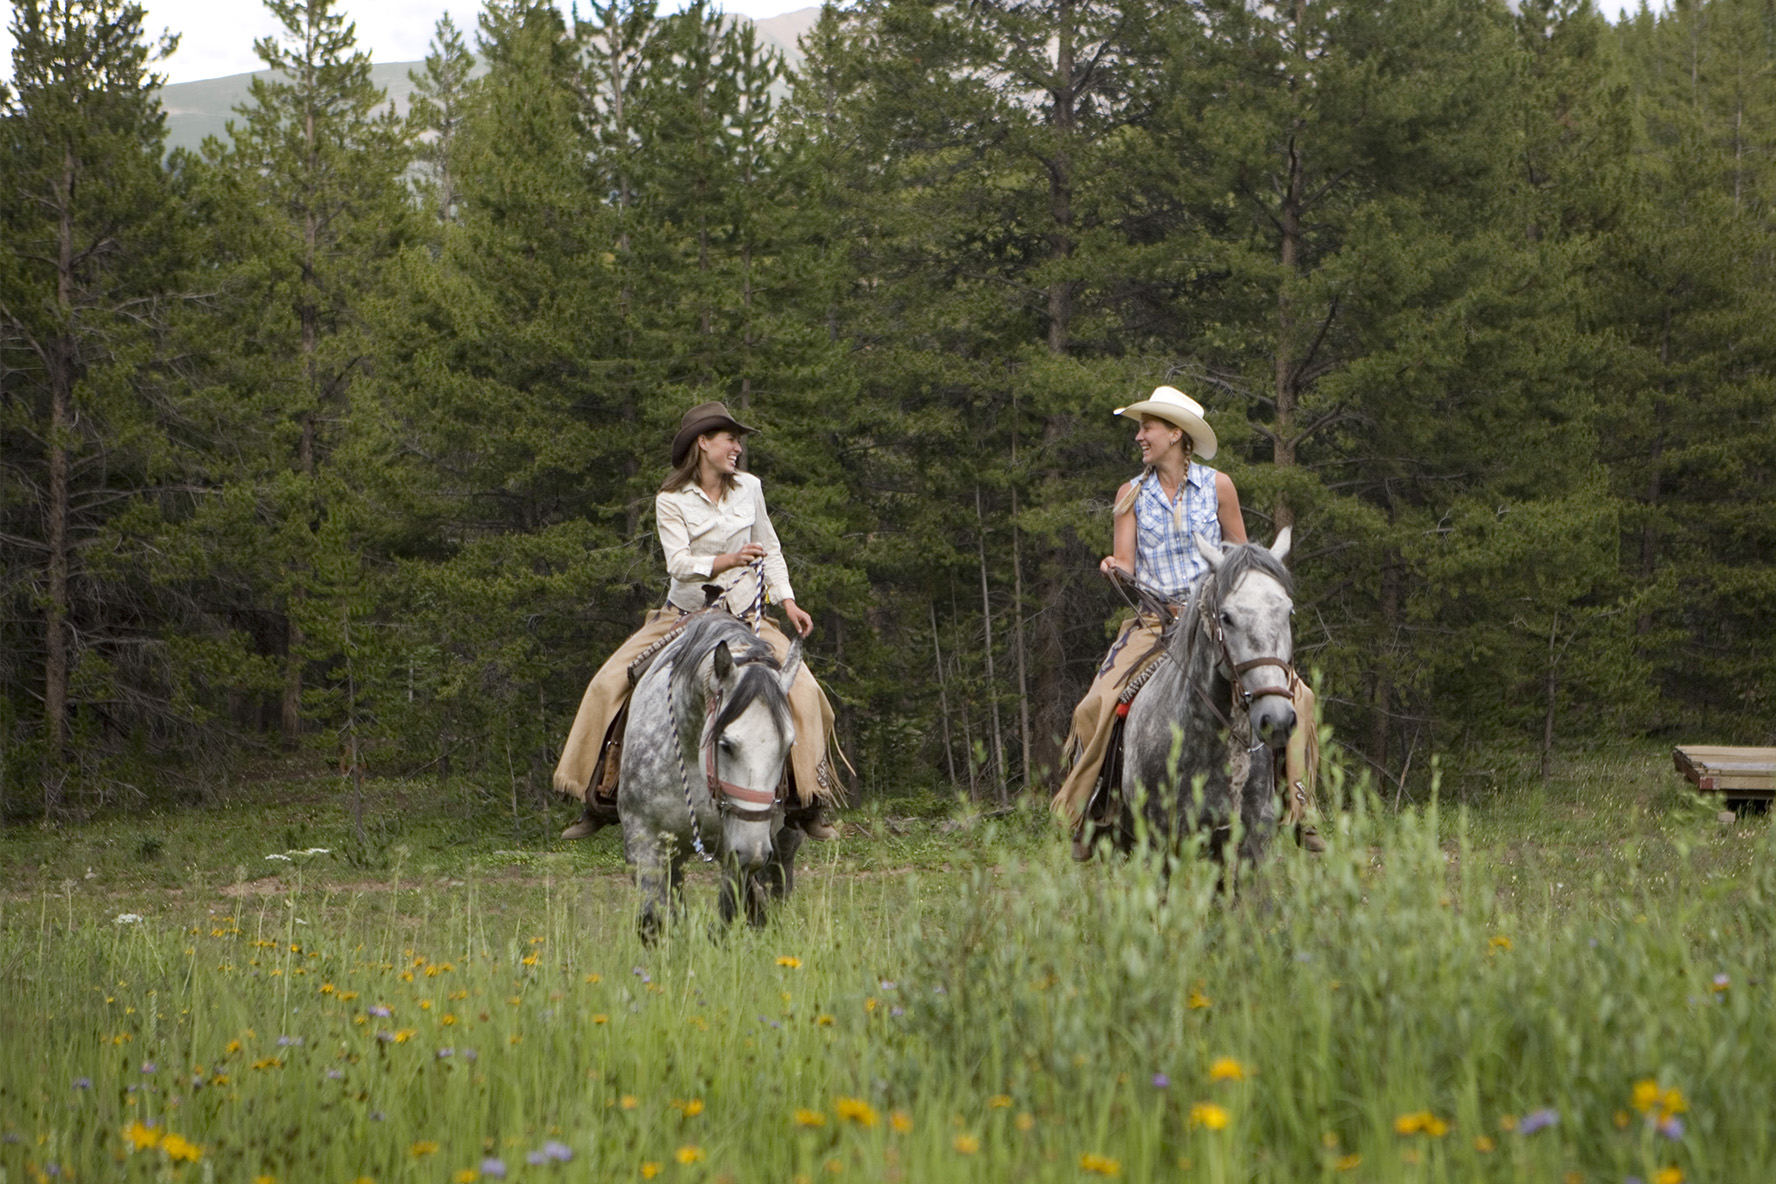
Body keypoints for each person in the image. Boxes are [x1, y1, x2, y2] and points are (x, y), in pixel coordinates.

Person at [1050, 385, 1325, 857]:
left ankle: (1300, 806)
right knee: (1095, 703)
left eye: (1147, 427)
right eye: (1140, 428)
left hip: (1216, 619)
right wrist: (1115, 569)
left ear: (1176, 434)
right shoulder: (1129, 495)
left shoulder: (1219, 487)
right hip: (1156, 622)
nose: (1140, 436)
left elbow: (1242, 557)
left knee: (1298, 694)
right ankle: (1095, 808)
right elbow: (1127, 563)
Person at [554, 401, 841, 841]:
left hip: (747, 617)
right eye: (730, 439)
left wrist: (788, 601)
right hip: (684, 616)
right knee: (607, 683)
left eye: (738, 441)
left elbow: (772, 547)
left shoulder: (750, 488)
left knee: (805, 690)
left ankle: (808, 798)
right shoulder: (670, 500)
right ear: (703, 443)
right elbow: (679, 564)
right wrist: (729, 559)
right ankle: (599, 794)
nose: (737, 448)